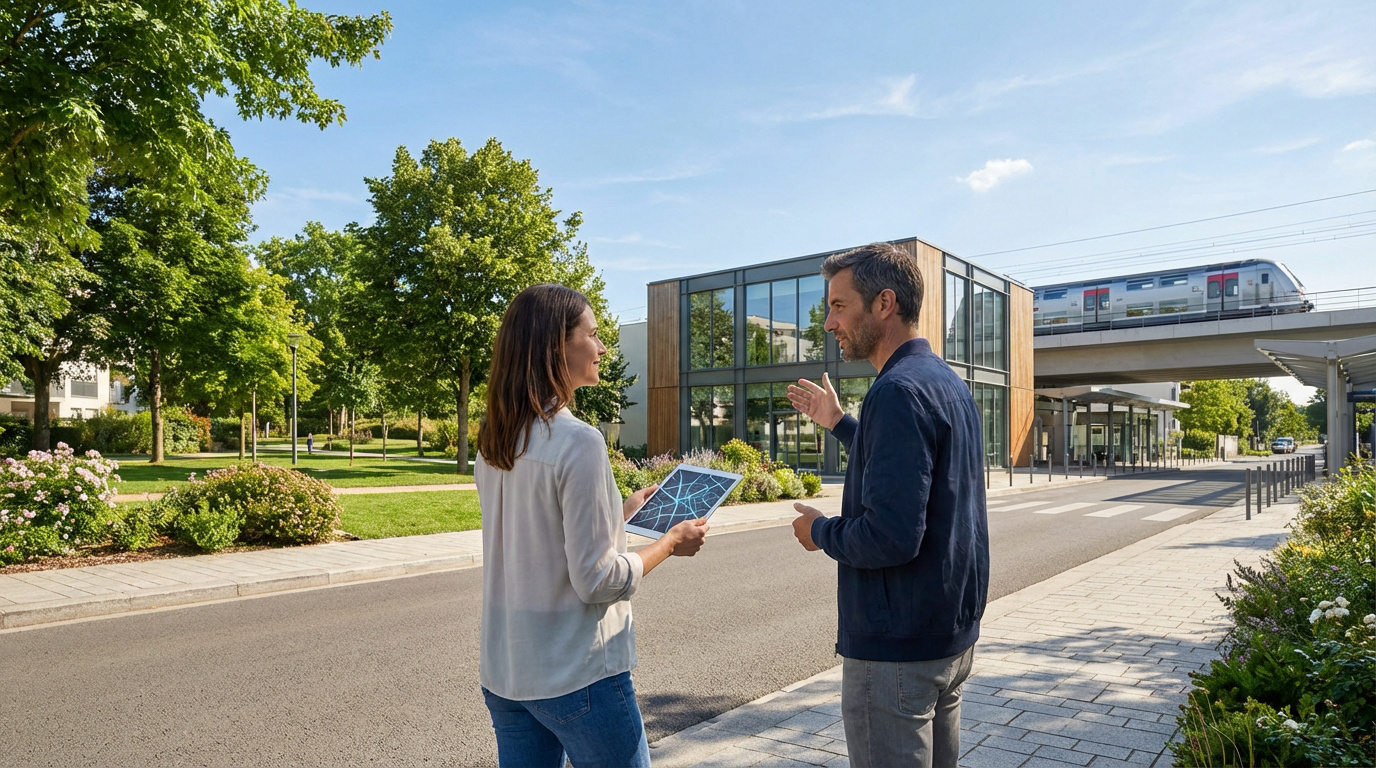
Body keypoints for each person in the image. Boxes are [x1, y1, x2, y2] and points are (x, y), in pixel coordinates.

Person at [476, 283, 710, 768]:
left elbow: (538, 538)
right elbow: (598, 580)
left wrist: (618, 515)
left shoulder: (496, 439)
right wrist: (670, 542)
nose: (603, 348)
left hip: (507, 672)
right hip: (576, 674)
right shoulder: (578, 441)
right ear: (555, 346)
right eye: (594, 335)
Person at [786, 243, 989, 768]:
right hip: (948, 635)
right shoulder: (945, 382)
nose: (829, 322)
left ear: (883, 304)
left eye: (837, 305)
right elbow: (913, 473)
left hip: (898, 647)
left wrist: (822, 532)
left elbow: (891, 535)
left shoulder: (896, 391)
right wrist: (839, 423)